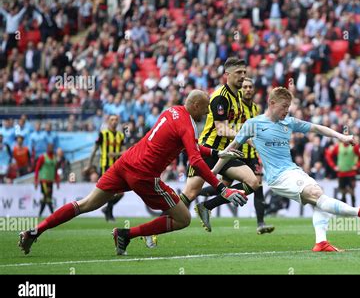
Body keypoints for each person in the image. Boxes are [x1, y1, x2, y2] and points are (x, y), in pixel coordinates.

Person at [19, 90, 247, 256]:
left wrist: (219, 153)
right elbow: (195, 160)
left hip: (125, 163)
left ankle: (36, 231)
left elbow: (191, 147)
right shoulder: (187, 124)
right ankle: (126, 234)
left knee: (86, 203)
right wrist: (222, 189)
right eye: (206, 108)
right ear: (196, 105)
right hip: (144, 175)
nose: (207, 113)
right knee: (183, 218)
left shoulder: (172, 112)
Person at [213, 87, 360, 252]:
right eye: (284, 106)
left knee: (317, 196)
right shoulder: (253, 124)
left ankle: (321, 243)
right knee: (316, 194)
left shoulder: (289, 122)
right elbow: (230, 150)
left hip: (293, 170)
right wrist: (212, 174)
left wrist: (342, 137)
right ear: (272, 103)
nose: (286, 110)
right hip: (278, 177)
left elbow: (317, 128)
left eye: (288, 106)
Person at [181, 58, 260, 232]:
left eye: (244, 72)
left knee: (253, 182)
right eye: (238, 73)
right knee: (190, 194)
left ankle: (206, 206)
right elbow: (222, 129)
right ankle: (154, 230)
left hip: (226, 154)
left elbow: (235, 126)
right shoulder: (220, 98)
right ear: (227, 75)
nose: (242, 76)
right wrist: (246, 138)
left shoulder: (238, 96)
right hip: (208, 152)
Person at [198, 78, 274, 234]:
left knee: (257, 185)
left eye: (250, 87)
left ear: (254, 90)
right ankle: (197, 194)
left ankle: (260, 223)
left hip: (251, 154)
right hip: (235, 151)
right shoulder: (233, 105)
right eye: (244, 87)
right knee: (223, 186)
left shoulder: (255, 108)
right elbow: (224, 128)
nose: (247, 89)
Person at [88, 114, 125, 222]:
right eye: (112, 120)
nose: (114, 121)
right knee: (110, 191)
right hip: (105, 166)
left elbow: (124, 151)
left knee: (120, 193)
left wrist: (115, 154)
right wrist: (89, 164)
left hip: (117, 167)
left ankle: (107, 209)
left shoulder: (121, 135)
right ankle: (109, 213)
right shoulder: (103, 134)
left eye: (116, 120)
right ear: (108, 122)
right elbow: (94, 149)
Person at [325, 137, 360, 206]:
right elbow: (328, 155)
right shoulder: (338, 146)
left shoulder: (354, 146)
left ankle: (354, 208)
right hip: (341, 173)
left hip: (351, 173)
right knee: (343, 191)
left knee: (352, 191)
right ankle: (345, 209)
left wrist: (358, 166)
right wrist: (333, 166)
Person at [34, 143, 60, 217]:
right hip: (44, 181)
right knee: (48, 197)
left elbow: (55, 171)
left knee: (46, 198)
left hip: (51, 181)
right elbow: (37, 169)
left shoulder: (54, 158)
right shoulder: (43, 157)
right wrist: (36, 180)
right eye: (49, 147)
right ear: (47, 148)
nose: (50, 149)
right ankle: (53, 215)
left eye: (52, 147)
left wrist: (57, 181)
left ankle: (40, 214)